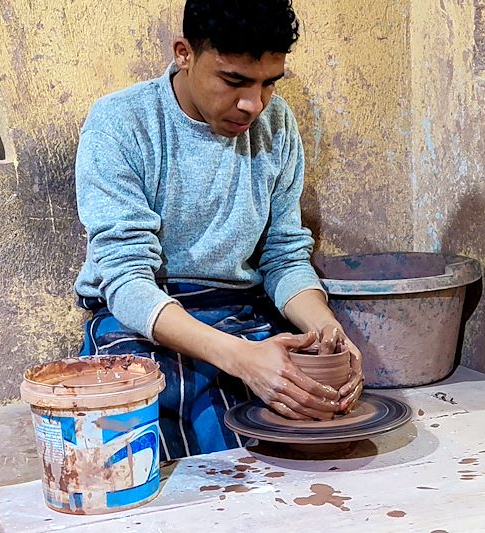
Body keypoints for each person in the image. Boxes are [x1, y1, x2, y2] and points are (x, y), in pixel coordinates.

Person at [73, 0, 363, 461]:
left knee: (308, 423)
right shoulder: (121, 124)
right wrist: (241, 360)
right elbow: (126, 282)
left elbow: (283, 257)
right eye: (234, 81)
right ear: (184, 53)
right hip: (144, 323)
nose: (254, 104)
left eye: (268, 83)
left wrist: (327, 329)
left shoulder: (276, 124)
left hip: (238, 312)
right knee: (169, 460)